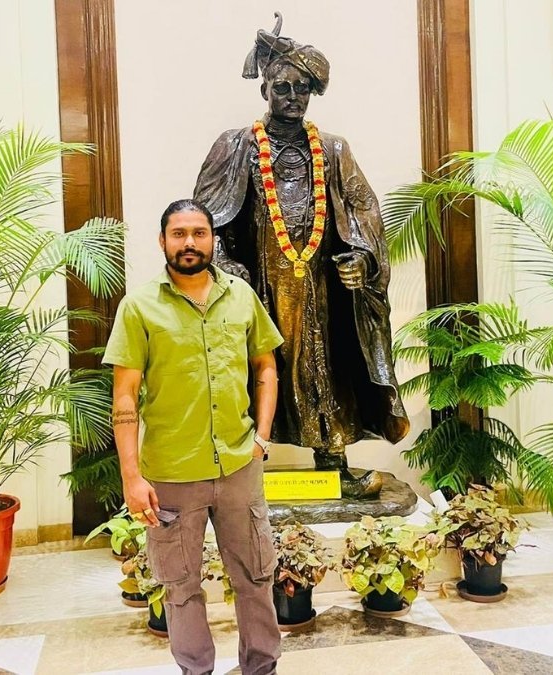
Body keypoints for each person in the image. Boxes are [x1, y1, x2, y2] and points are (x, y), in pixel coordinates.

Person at [193, 13, 410, 499]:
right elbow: (203, 220)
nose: (293, 97)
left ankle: (333, 463)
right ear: (265, 89)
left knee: (324, 364)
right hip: (258, 287)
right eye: (283, 87)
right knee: (256, 371)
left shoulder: (333, 149)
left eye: (303, 89)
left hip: (321, 287)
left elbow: (364, 208)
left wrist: (363, 257)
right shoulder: (236, 146)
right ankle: (243, 471)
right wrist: (226, 267)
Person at [103, 199, 284, 675]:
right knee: (181, 588)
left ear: (212, 240)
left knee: (256, 577)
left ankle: (262, 667)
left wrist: (262, 437)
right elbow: (124, 397)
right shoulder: (139, 307)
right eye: (179, 233)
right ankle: (195, 670)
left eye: (199, 233)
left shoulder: (241, 296)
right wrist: (131, 478)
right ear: (162, 241)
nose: (189, 242)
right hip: (172, 475)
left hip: (239, 467)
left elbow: (266, 367)